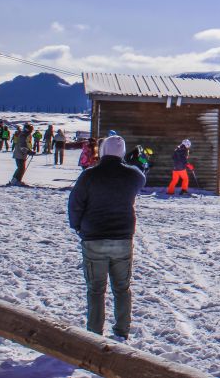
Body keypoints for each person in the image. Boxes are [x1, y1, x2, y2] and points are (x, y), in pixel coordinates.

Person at [67, 135, 145, 339]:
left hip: (94, 237)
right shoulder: (133, 176)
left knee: (95, 290)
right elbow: (141, 176)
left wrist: (77, 225)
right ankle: (121, 330)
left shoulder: (89, 176)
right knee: (122, 288)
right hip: (122, 237)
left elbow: (75, 203)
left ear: (102, 151)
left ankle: (94, 332)